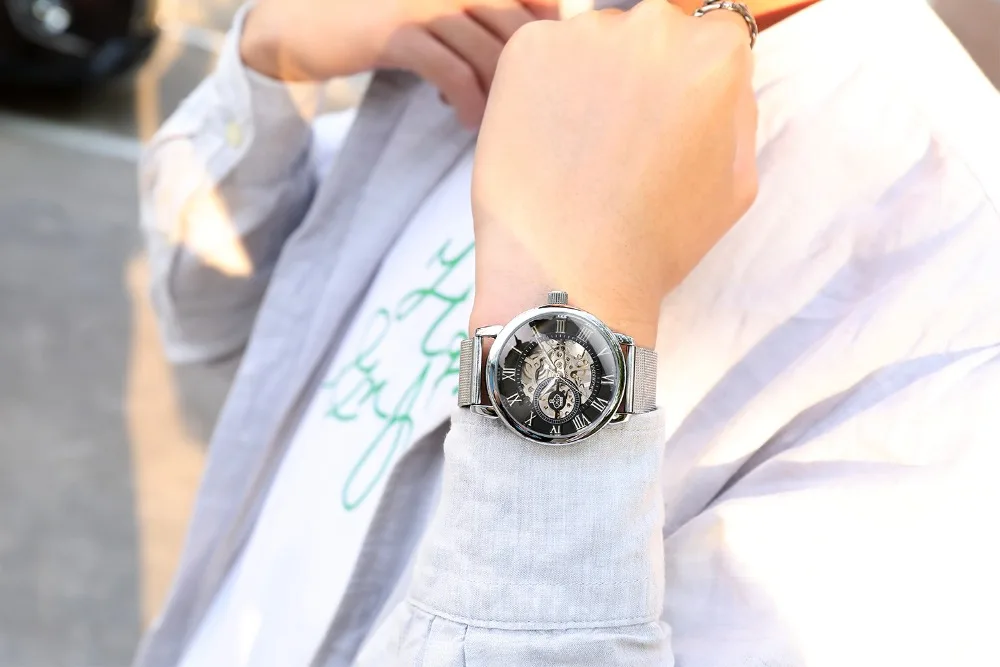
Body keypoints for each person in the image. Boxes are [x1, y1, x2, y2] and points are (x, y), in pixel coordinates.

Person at [135, 0, 1000, 664]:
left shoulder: (952, 318)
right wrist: (270, 57)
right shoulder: (498, 29)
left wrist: (575, 311)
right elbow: (211, 319)